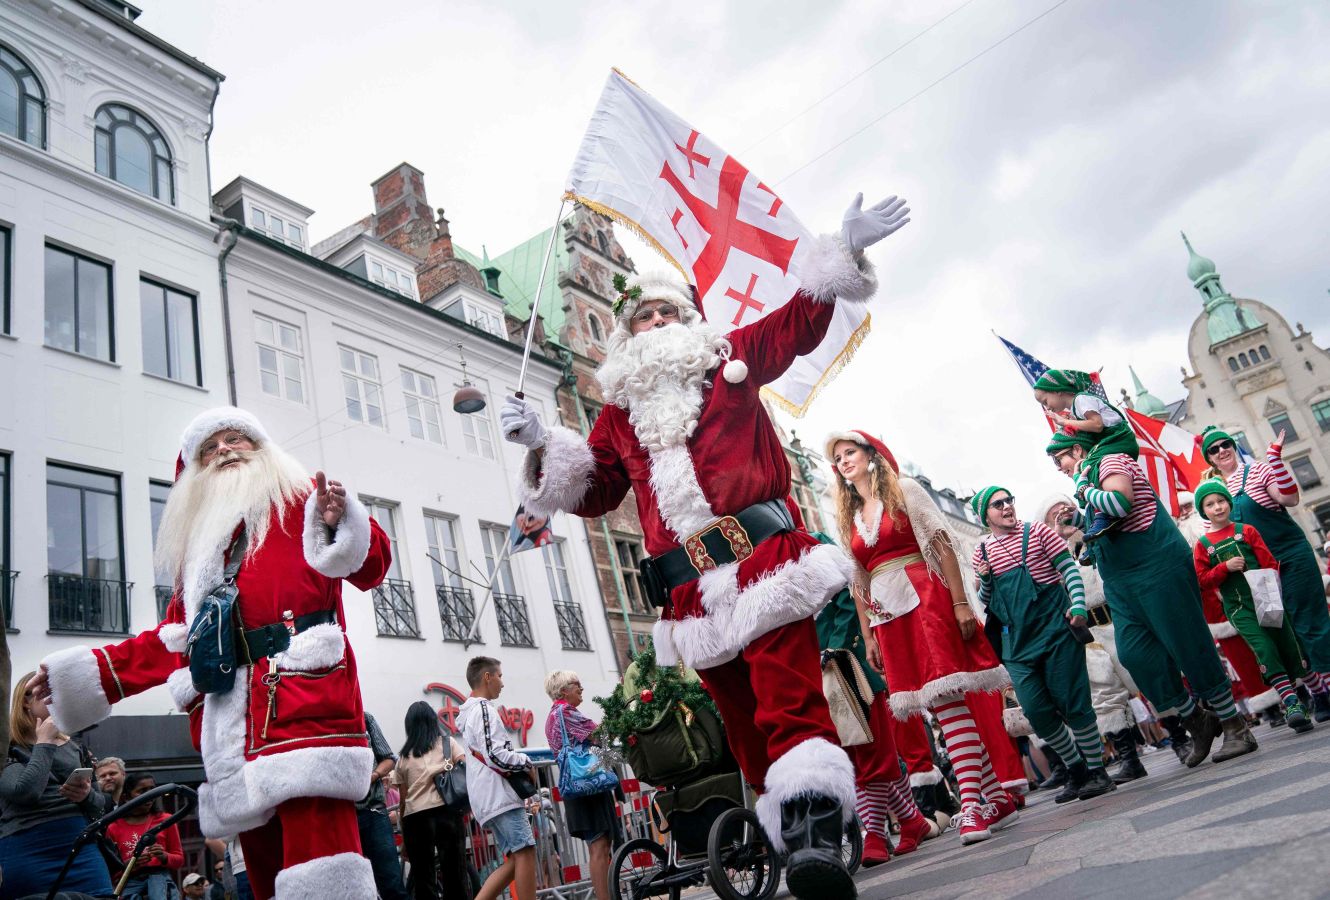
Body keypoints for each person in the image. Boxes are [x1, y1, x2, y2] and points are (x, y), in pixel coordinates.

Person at [501, 192, 910, 899]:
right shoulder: (619, 415)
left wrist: (841, 249)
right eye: (644, 318)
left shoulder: (732, 358)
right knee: (745, 726)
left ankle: (814, 838)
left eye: (667, 314)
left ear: (687, 323)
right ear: (626, 340)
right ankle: (784, 826)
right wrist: (542, 445)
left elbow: (797, 325)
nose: (656, 324)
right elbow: (594, 491)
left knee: (788, 699)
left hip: (763, 565)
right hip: (688, 592)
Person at [28, 406, 393, 899]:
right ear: (194, 471)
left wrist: (342, 521)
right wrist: (88, 676)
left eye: (235, 438)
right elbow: (173, 641)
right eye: (209, 447)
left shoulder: (303, 499)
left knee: (325, 872)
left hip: (307, 710)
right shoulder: (199, 556)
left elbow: (370, 567)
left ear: (261, 448)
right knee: (263, 876)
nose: (224, 449)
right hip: (234, 730)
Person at [827, 431, 1018, 847]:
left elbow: (942, 544)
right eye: (837, 458)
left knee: (947, 699)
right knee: (935, 703)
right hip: (887, 614)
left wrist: (961, 602)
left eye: (850, 452)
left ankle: (971, 805)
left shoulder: (904, 489)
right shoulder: (850, 516)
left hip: (926, 598)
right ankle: (996, 797)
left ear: (871, 455)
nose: (843, 461)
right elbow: (859, 580)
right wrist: (868, 634)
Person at [1046, 430, 1258, 764]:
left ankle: (1234, 724)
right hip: (1122, 580)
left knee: (1188, 643)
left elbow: (1118, 502)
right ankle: (1196, 719)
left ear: (1077, 449)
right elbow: (1106, 520)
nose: (1059, 467)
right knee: (1135, 655)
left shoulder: (1110, 460)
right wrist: (1078, 518)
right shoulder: (1087, 475)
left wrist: (1084, 489)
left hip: (1155, 566)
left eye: (1061, 458)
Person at [971, 487, 1115, 803]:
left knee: (1073, 702)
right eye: (999, 504)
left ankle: (1096, 771)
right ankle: (1076, 770)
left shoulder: (1036, 532)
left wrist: (1078, 606)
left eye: (1010, 500)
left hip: (1055, 632)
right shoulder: (981, 552)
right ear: (985, 515)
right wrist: (986, 580)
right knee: (1036, 712)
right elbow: (986, 602)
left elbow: (1069, 570)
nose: (1007, 506)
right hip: (1017, 644)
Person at [809, 548, 938, 867]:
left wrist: (834, 649)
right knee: (856, 757)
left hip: (849, 668)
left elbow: (849, 604)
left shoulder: (818, 551)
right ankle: (912, 820)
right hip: (819, 674)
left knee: (869, 755)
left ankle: (877, 834)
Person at [1201, 427, 1330, 721]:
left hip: (1290, 556)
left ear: (1233, 446)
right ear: (1210, 459)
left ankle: (1328, 689)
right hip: (1258, 571)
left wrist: (1274, 459)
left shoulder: (1257, 470)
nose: (1222, 450)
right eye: (1214, 449)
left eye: (1226, 444)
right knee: (1284, 632)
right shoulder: (1218, 493)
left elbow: (1289, 499)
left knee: (1308, 622)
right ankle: (1318, 692)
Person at [1034, 495, 1148, 781]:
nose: (1062, 518)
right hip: (1087, 633)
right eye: (1053, 516)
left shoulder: (1097, 535)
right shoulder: (1051, 559)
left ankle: (1181, 736)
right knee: (1104, 695)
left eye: (1064, 511)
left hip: (1118, 619)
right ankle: (1129, 758)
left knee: (1144, 676)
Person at [1191, 480, 1314, 733]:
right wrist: (1225, 568)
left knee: (1286, 645)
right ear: (1204, 511)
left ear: (1229, 502)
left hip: (1265, 594)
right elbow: (1202, 580)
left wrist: (1268, 585)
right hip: (1238, 607)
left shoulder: (1247, 530)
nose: (1217, 507)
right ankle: (1291, 704)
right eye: (1210, 504)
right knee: (1264, 647)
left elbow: (1269, 561)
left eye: (1221, 501)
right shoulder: (1203, 544)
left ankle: (1310, 695)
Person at [0, 672, 112, 899]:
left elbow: (101, 807)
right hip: (28, 849)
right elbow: (25, 792)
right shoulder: (8, 747)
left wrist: (86, 796)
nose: (54, 699)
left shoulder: (76, 746)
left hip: (80, 848)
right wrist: (44, 744)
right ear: (25, 700)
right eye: (46, 693)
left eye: (57, 694)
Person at [458, 657, 536, 900]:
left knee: (515, 859)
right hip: (498, 795)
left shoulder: (471, 712)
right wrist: (526, 762)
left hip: (490, 797)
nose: (502, 683)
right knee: (525, 853)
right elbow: (494, 754)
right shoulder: (483, 710)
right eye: (500, 676)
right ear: (487, 677)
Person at [1033, 370, 1139, 543]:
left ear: (1057, 390)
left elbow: (1097, 425)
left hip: (1118, 437)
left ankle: (1102, 518)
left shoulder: (1081, 400)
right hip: (1113, 439)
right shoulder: (1077, 407)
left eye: (1058, 459)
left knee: (1088, 465)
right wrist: (1074, 520)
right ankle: (1100, 520)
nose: (1047, 407)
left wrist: (1084, 489)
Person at [544, 670, 622, 898]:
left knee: (597, 847)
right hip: (588, 786)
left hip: (578, 788)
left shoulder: (553, 715)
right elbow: (599, 733)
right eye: (576, 684)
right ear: (563, 690)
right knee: (599, 847)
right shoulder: (565, 711)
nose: (581, 688)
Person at [392, 701, 467, 900]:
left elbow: (403, 798)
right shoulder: (447, 743)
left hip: (415, 817)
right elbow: (466, 768)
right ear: (433, 721)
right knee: (455, 873)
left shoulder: (403, 757)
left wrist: (404, 829)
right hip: (447, 811)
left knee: (423, 877)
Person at [108, 773, 185, 900]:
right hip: (130, 885)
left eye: (152, 790)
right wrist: (128, 864)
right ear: (127, 797)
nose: (150, 795)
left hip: (160, 880)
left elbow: (179, 860)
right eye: (142, 791)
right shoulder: (113, 827)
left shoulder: (166, 820)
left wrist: (164, 856)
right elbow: (110, 870)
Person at [356, 712, 408, 900]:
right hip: (340, 816)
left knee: (391, 883)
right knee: (352, 888)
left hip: (373, 810)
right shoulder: (321, 723)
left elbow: (389, 758)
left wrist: (374, 775)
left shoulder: (364, 718)